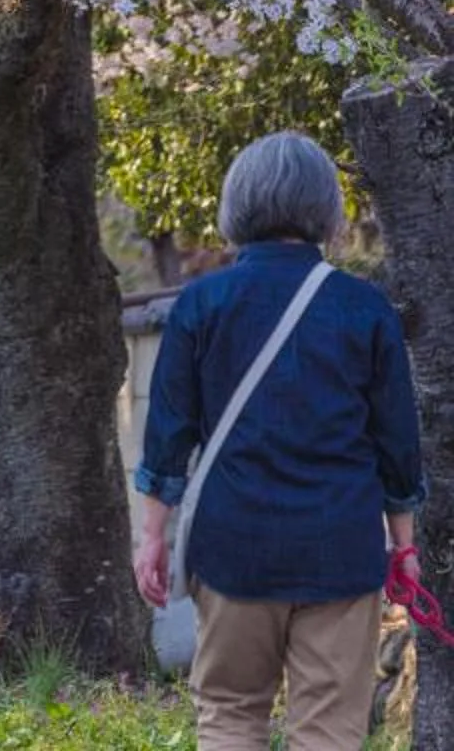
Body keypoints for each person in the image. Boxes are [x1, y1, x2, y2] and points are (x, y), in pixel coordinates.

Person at [134, 131, 424, 751]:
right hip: (340, 549)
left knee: (231, 715)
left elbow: (167, 434)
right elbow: (397, 445)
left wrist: (152, 535)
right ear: (326, 208)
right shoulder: (364, 308)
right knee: (328, 729)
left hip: (232, 546)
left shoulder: (199, 304)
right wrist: (404, 547)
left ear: (237, 205)